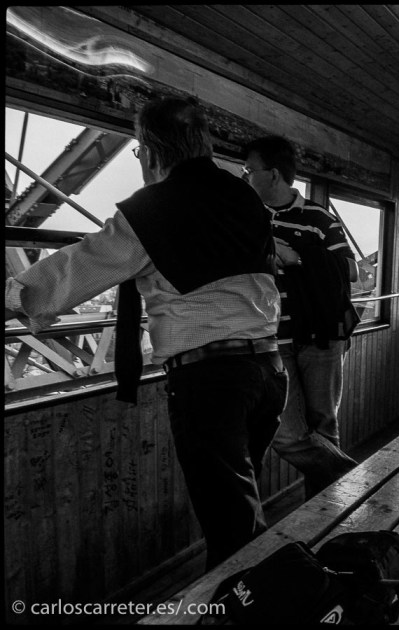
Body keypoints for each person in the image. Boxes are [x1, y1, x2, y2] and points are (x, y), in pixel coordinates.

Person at [4, 96, 286, 571]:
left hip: (211, 382)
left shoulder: (151, 211)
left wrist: (12, 296)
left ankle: (244, 602)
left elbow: (76, 270)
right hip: (267, 369)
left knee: (230, 525)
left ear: (151, 154)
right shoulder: (243, 197)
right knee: (243, 501)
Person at [242, 135, 359, 499]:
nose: (247, 177)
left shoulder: (318, 217)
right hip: (271, 339)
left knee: (324, 425)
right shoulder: (247, 219)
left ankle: (323, 513)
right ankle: (359, 482)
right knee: (288, 432)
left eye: (250, 170)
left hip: (321, 335)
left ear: (273, 175)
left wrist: (298, 257)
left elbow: (351, 271)